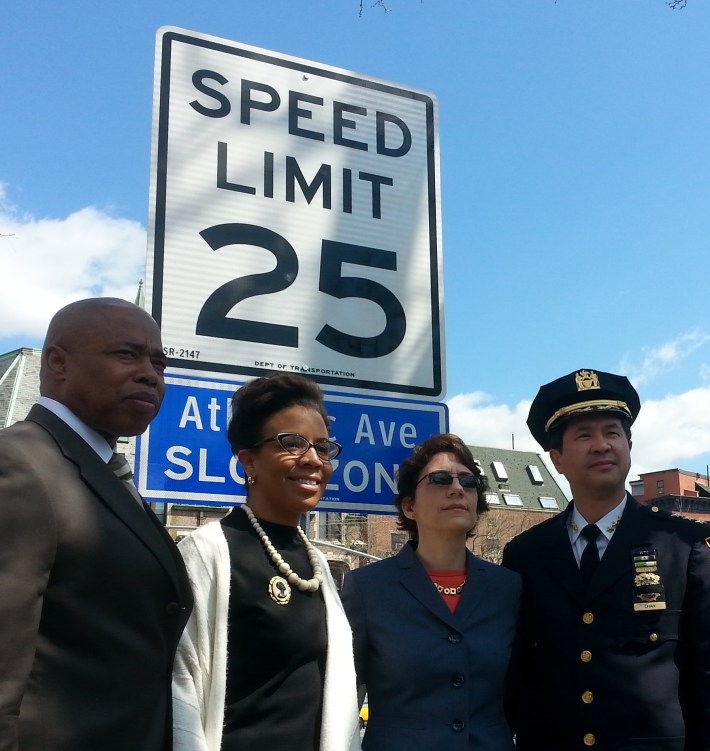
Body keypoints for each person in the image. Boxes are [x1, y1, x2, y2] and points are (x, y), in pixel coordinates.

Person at [0, 297, 193, 751]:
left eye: (158, 362)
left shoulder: (104, 471)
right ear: (57, 362)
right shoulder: (18, 466)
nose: (150, 373)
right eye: (127, 354)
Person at [502, 368, 710, 751]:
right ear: (557, 459)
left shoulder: (685, 546)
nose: (602, 445)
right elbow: (516, 676)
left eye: (612, 433)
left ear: (628, 447)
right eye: (584, 435)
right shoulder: (524, 556)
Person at [171, 373, 361, 751]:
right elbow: (182, 685)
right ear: (248, 461)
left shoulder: (317, 562)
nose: (312, 460)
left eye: (323, 448)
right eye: (292, 443)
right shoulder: (208, 551)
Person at [341, 433, 521, 751]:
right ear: (409, 506)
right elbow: (342, 704)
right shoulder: (368, 589)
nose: (457, 489)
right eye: (440, 479)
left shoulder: (507, 588)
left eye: (469, 482)